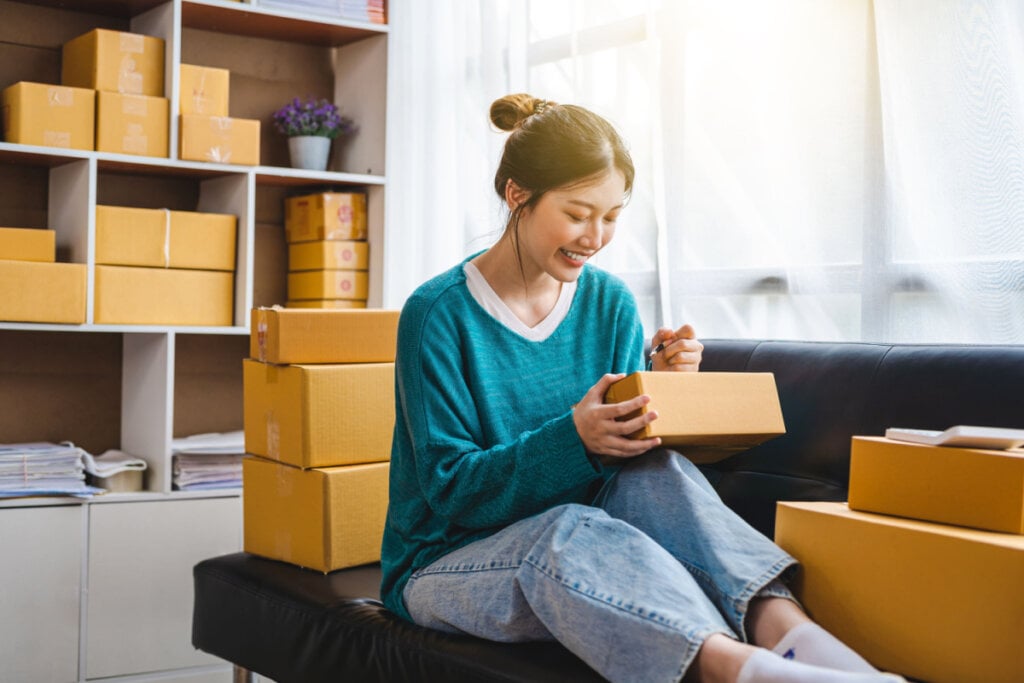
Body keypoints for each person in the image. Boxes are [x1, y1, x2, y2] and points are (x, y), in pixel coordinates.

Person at [380, 93, 906, 683]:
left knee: (657, 477)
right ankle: (736, 671)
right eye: (578, 214)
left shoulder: (609, 303)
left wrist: (664, 396)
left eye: (611, 216)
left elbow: (623, 468)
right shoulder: (438, 315)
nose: (596, 236)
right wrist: (576, 438)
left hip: (588, 535)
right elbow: (453, 494)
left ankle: (790, 635)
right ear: (517, 196)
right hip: (447, 561)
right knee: (565, 531)